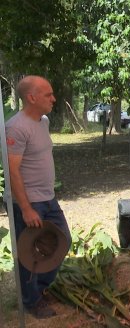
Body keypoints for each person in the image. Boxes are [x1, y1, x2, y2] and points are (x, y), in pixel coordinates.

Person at [6, 75, 72, 318]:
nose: (53, 99)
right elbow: (12, 170)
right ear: (31, 98)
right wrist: (25, 208)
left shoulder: (42, 121)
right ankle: (30, 301)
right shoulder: (16, 127)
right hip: (29, 202)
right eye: (48, 95)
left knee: (62, 241)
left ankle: (40, 289)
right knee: (30, 253)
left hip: (47, 197)